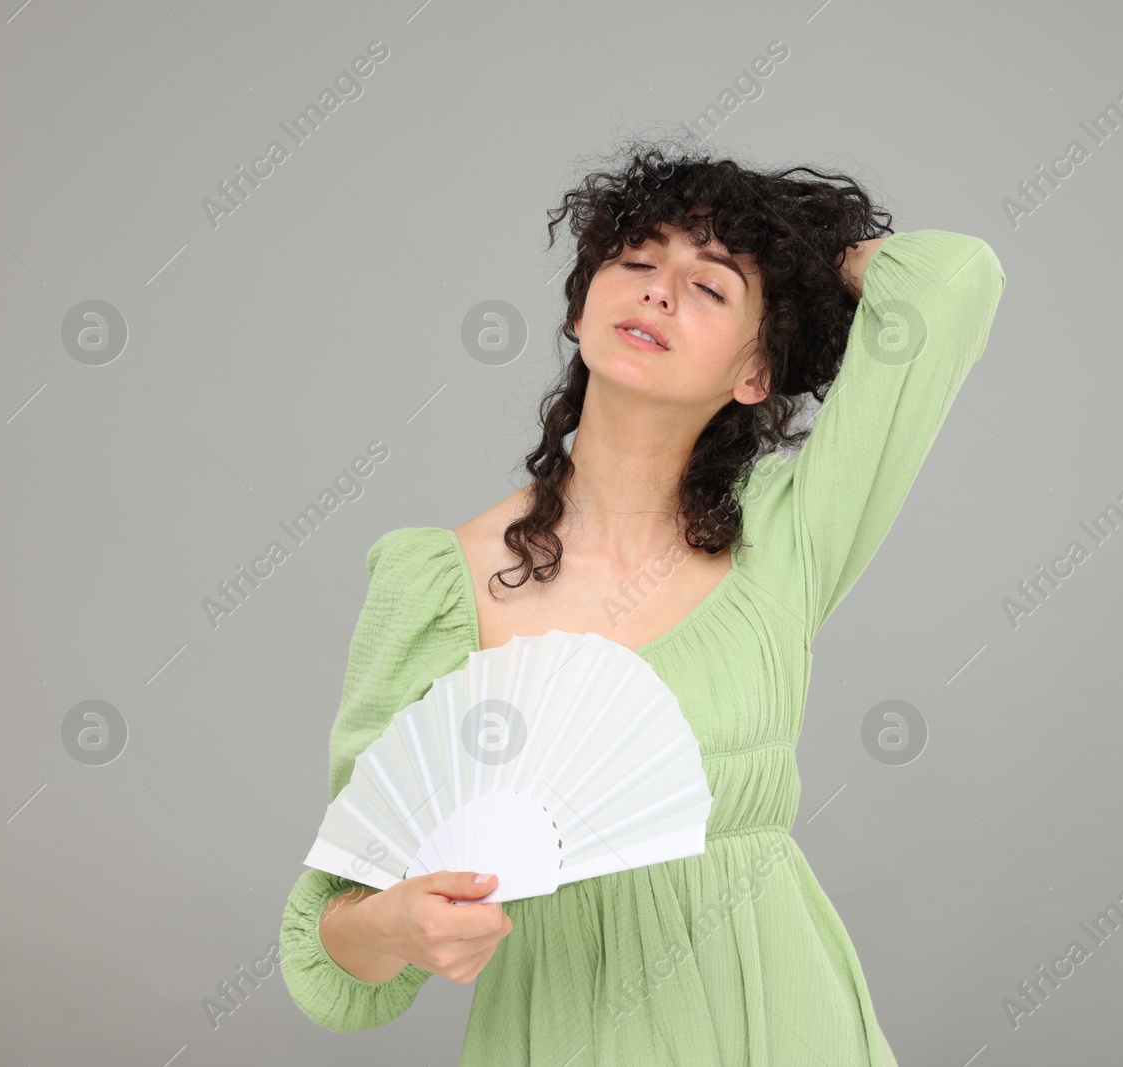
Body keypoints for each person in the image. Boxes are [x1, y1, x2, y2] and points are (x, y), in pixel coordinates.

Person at [279, 141, 1007, 1064]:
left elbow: (952, 281)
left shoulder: (786, 538)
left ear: (756, 374)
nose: (660, 290)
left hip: (778, 1022)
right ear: (583, 305)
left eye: (709, 287)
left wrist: (796, 259)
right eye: (635, 260)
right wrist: (395, 926)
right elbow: (325, 945)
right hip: (563, 1030)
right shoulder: (436, 584)